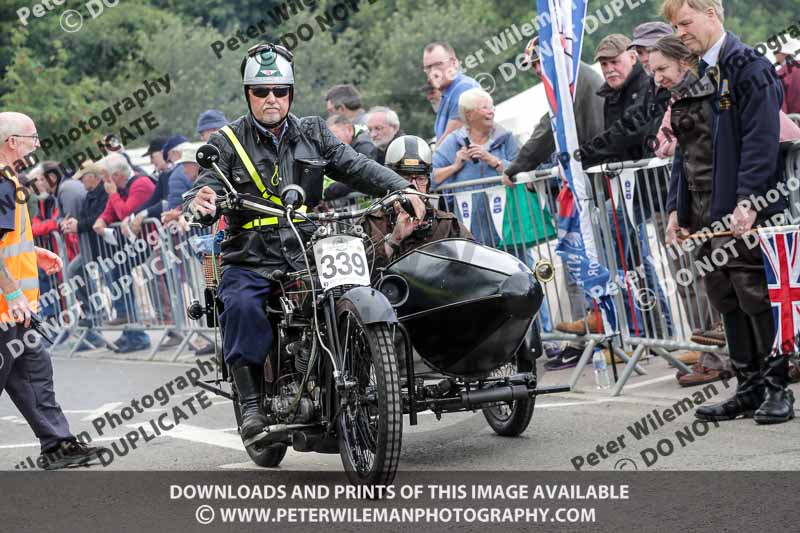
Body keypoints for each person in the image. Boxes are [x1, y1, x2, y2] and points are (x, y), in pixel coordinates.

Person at [184, 43, 423, 442]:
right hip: (250, 251)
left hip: (307, 246)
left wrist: (400, 187)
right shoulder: (228, 142)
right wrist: (201, 201)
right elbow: (204, 187)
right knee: (241, 303)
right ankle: (251, 404)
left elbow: (356, 165)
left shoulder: (312, 132)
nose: (271, 99)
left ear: (291, 93)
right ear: (248, 95)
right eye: (262, 92)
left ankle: (366, 370)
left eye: (279, 91)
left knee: (365, 279)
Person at [662, 0, 793, 423]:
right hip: (706, 212)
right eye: (675, 25)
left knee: (756, 295)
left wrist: (748, 200)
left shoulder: (747, 66)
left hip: (745, 209)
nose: (680, 32)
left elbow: (761, 139)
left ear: (712, 14)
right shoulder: (702, 72)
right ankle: (749, 388)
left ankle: (777, 389)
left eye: (685, 22)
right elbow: (686, 152)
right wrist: (674, 210)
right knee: (727, 298)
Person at [0, 111, 106, 469]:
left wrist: (33, 252)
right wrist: (13, 294)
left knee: (35, 373)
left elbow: (7, 241)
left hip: (15, 310)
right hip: (7, 306)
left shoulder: (9, 178)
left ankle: (58, 445)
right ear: (11, 142)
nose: (37, 144)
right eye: (32, 137)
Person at [502, 36, 605, 369]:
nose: (535, 71)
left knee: (593, 261)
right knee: (593, 261)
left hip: (593, 185)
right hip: (588, 184)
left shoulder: (570, 80)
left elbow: (547, 132)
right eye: (533, 65)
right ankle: (596, 335)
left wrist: (517, 166)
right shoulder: (576, 77)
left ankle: (605, 335)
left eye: (537, 63)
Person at [364, 135, 472, 270]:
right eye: (405, 179)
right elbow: (362, 276)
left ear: (428, 183)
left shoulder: (448, 224)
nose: (413, 186)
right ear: (389, 181)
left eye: (420, 178)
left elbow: (473, 265)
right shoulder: (371, 223)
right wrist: (394, 239)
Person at [432, 88, 519, 247]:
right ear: (469, 114)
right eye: (485, 107)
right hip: (471, 229)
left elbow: (522, 172)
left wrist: (493, 160)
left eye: (492, 107)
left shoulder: (506, 137)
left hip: (509, 225)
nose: (491, 112)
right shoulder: (453, 142)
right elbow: (430, 179)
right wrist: (454, 166)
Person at [92, 153, 155, 353]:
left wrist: (112, 194)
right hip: (132, 242)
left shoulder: (141, 183)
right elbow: (111, 211)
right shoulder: (119, 187)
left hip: (150, 241)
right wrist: (101, 220)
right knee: (116, 269)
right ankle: (130, 330)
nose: (104, 182)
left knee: (119, 269)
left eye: (106, 177)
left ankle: (135, 332)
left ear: (118, 175)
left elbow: (126, 212)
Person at [61, 161, 109, 347]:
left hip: (105, 248)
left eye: (83, 177)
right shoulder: (90, 195)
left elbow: (100, 216)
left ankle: (131, 332)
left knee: (114, 285)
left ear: (92, 177)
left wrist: (78, 225)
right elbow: (86, 217)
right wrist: (71, 222)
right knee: (74, 270)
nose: (81, 182)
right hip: (91, 248)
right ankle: (93, 311)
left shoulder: (104, 192)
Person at [423, 41, 480, 145]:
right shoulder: (446, 94)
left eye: (438, 64)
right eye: (428, 67)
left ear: (454, 63)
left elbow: (448, 142)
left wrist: (431, 159)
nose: (433, 71)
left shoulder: (464, 88)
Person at [775, 39, 800, 115]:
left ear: (784, 53)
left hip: (794, 124)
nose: (775, 55)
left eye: (776, 52)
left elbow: (781, 108)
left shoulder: (781, 74)